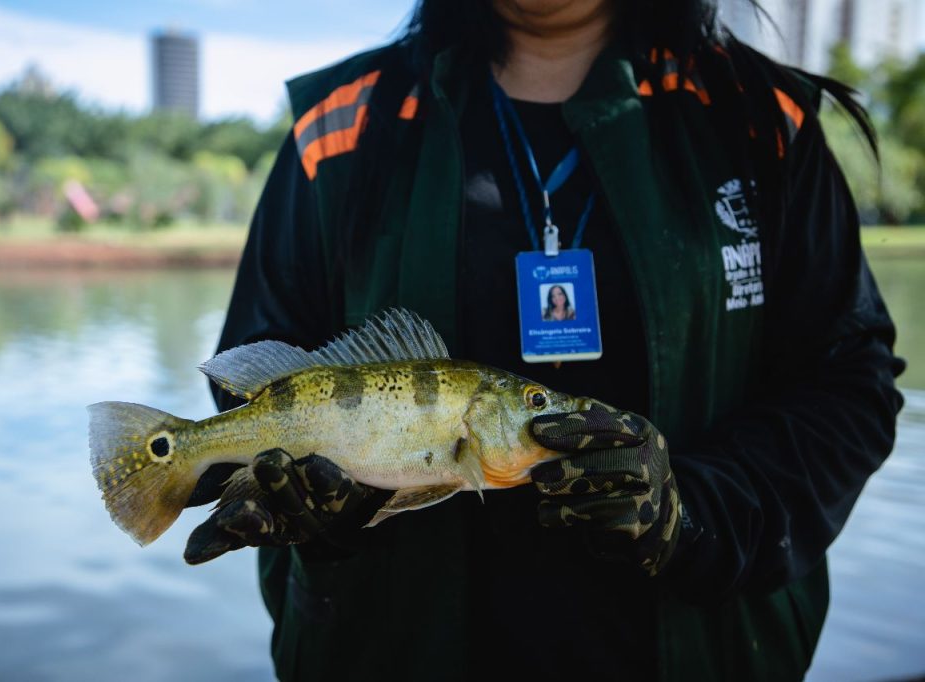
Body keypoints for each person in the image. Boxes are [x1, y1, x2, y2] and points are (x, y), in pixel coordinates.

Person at [184, 0, 904, 679]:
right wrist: (306, 507)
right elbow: (252, 376)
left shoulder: (760, 119)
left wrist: (698, 512)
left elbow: (850, 384)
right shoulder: (337, 129)